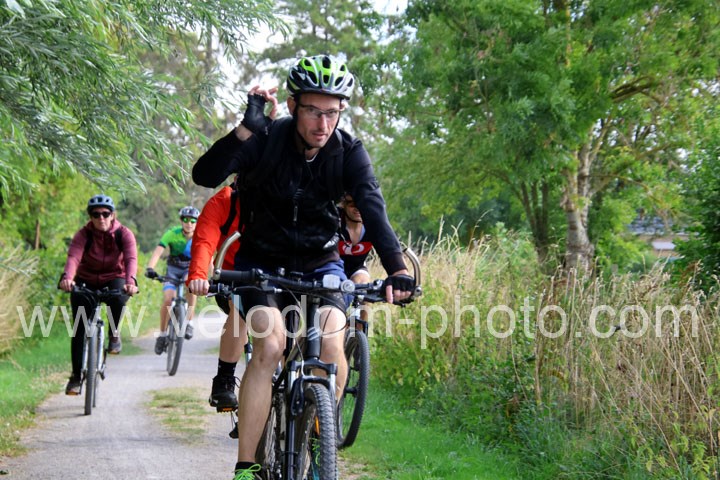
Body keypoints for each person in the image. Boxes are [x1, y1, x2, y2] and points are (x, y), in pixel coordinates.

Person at [192, 54, 415, 479]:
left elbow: (372, 205)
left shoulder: (348, 151)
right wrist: (244, 131)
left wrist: (398, 269)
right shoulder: (264, 139)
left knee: (332, 342)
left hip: (321, 263)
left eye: (332, 112)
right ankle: (246, 468)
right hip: (261, 265)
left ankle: (319, 437)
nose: (323, 123)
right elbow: (205, 175)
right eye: (313, 111)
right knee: (270, 345)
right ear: (293, 106)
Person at [59, 194, 139, 395]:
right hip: (86, 278)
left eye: (105, 213)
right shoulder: (83, 235)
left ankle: (114, 333)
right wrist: (68, 278)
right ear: (90, 216)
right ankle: (76, 377)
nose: (101, 218)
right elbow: (73, 257)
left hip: (114, 276)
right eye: (96, 214)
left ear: (113, 215)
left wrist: (131, 282)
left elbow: (131, 259)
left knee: (120, 297)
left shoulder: (124, 234)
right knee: (79, 327)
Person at [187, 182, 248, 411]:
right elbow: (205, 241)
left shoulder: (282, 197)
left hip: (272, 275)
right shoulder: (224, 201)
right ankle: (225, 379)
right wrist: (198, 275)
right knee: (241, 304)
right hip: (231, 277)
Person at [145, 206, 199, 355]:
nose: (189, 223)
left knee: (192, 285)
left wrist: (214, 275)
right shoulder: (172, 233)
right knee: (168, 299)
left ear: (196, 223)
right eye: (186, 220)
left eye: (193, 221)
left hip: (189, 269)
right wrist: (150, 268)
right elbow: (158, 252)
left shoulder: (200, 236)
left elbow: (208, 257)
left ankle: (189, 322)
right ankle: (162, 335)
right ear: (181, 221)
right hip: (172, 270)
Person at [338, 193, 374, 324]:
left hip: (356, 267)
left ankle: (359, 333)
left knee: (365, 288)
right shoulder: (335, 219)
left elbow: (388, 246)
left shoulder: (373, 222)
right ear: (344, 204)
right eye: (352, 203)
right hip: (333, 267)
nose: (358, 208)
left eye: (362, 203)